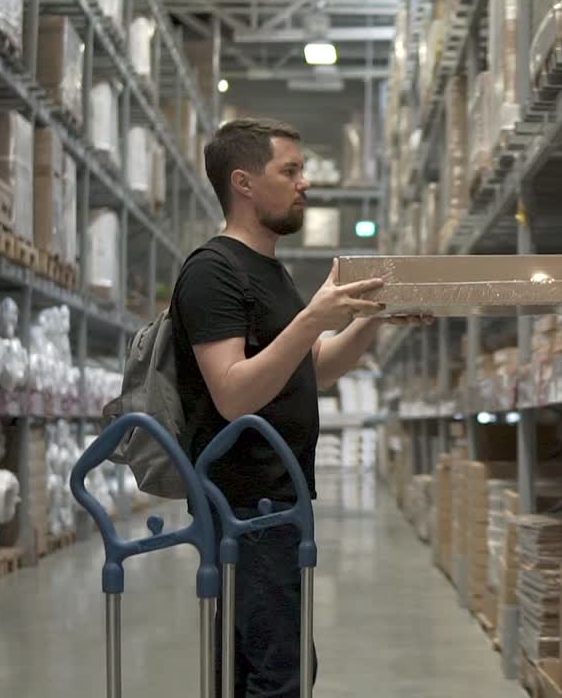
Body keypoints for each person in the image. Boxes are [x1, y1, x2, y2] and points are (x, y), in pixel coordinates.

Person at [170, 117, 422, 697]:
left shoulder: (273, 273)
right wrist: (312, 317)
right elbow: (232, 393)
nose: (305, 182)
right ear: (244, 183)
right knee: (274, 673)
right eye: (291, 170)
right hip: (241, 501)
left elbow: (318, 368)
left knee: (266, 664)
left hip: (277, 498)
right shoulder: (213, 271)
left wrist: (369, 320)